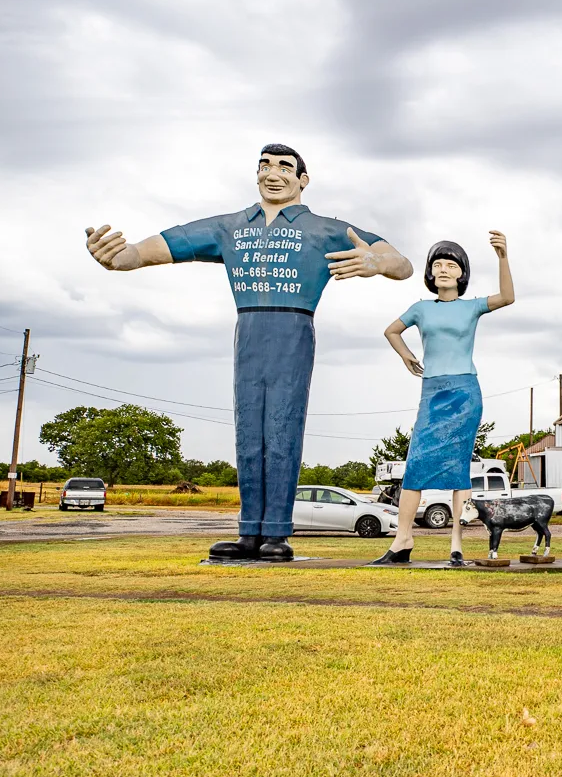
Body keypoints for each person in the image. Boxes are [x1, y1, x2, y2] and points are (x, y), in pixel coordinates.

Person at [85, 144, 412, 562]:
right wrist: (122, 258)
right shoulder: (231, 227)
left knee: (282, 429)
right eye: (264, 165)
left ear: (302, 180)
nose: (272, 173)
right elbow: (166, 245)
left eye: (284, 167)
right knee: (248, 434)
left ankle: (276, 530)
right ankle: (248, 533)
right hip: (248, 332)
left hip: (294, 329)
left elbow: (400, 262)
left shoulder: (325, 228)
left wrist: (376, 262)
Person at [371, 233, 515, 566]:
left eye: (451, 264)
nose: (444, 269)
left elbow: (508, 297)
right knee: (416, 465)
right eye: (438, 264)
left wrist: (502, 257)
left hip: (464, 393)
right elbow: (391, 330)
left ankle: (456, 545)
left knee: (458, 468)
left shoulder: (472, 306)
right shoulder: (421, 309)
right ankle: (402, 539)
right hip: (432, 392)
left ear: (462, 273)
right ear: (430, 274)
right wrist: (406, 355)